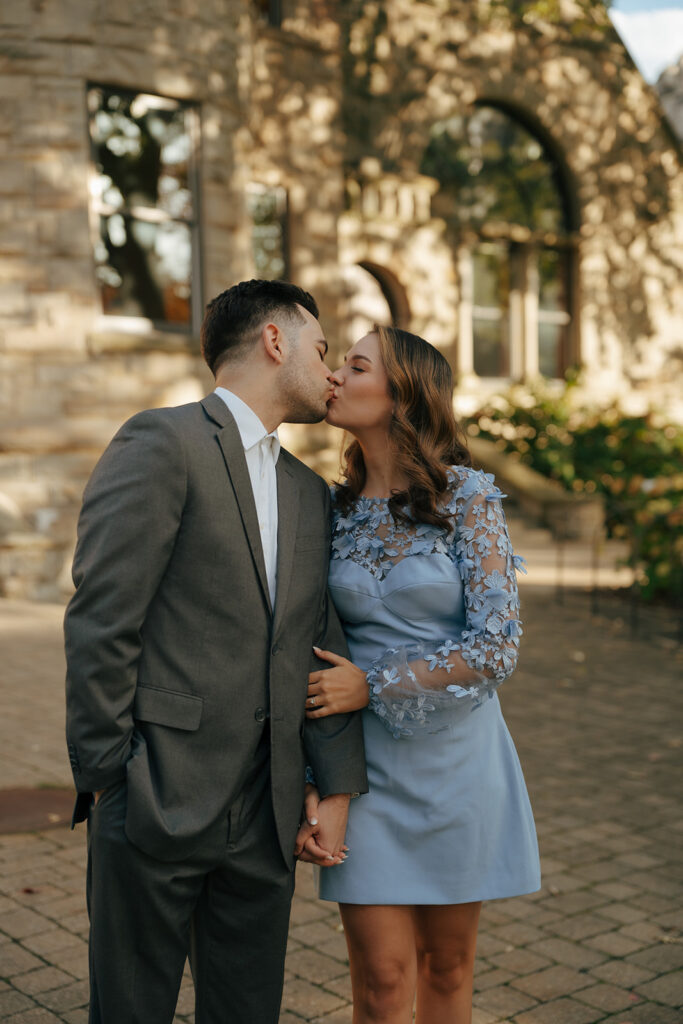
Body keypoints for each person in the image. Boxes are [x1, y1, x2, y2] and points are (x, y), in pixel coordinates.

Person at [64, 279, 367, 1024]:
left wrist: (332, 788)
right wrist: (110, 775)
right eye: (321, 349)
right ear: (273, 341)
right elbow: (103, 620)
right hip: (156, 796)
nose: (331, 372)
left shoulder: (307, 491)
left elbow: (320, 647)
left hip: (264, 821)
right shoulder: (161, 441)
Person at [303, 325, 540, 1023]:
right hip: (364, 769)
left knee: (449, 966)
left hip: (459, 763)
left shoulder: (466, 498)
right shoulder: (329, 509)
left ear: (402, 394)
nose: (335, 377)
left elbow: (497, 647)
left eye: (355, 365)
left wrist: (371, 684)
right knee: (378, 980)